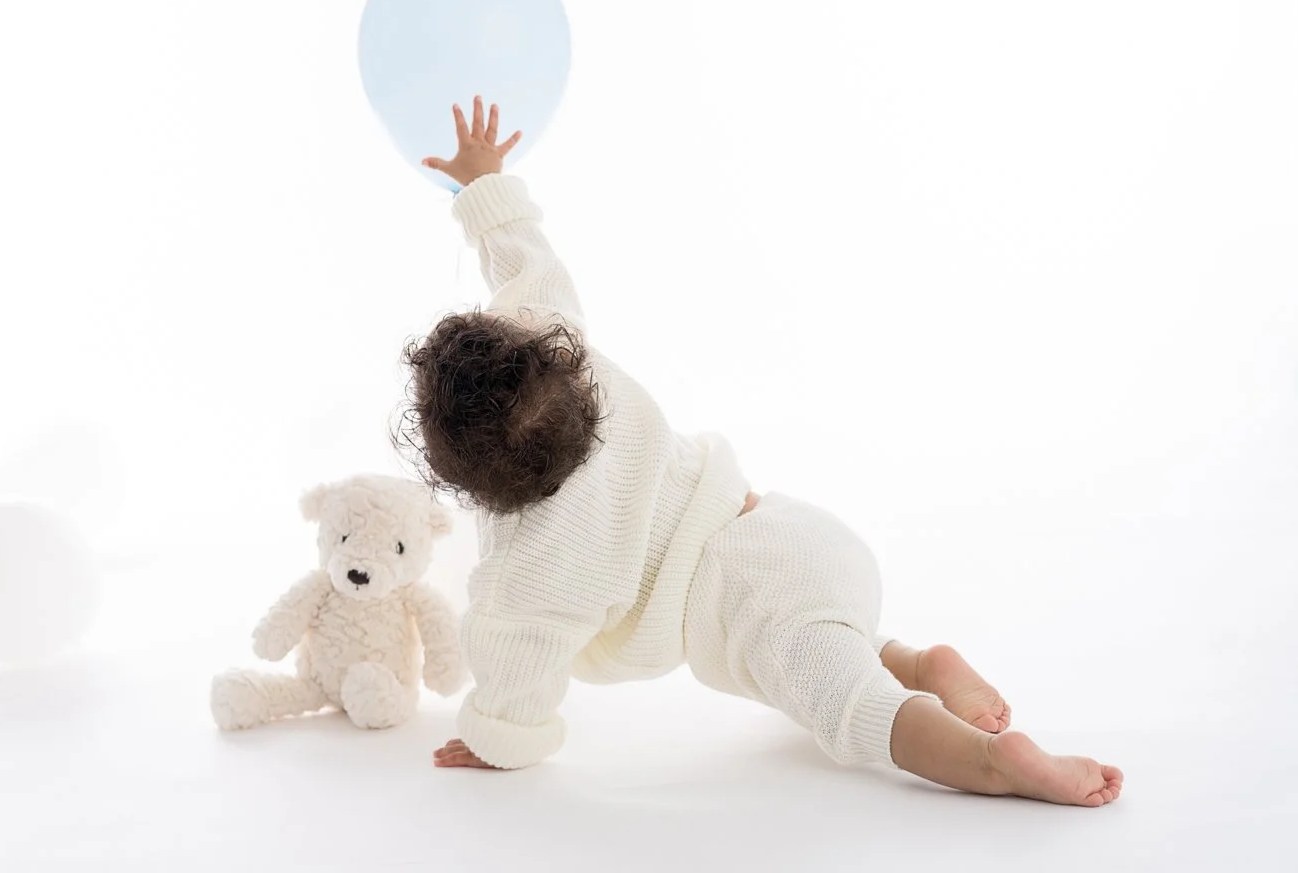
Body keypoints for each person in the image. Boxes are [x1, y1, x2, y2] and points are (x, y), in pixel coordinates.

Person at [396, 97, 1122, 806]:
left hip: (744, 601)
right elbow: (524, 258)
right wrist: (484, 180)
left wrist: (498, 740)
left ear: (460, 477)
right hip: (787, 528)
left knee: (854, 708)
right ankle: (920, 663)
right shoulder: (568, 351)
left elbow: (516, 667)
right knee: (843, 640)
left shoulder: (527, 569)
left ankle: (991, 761)